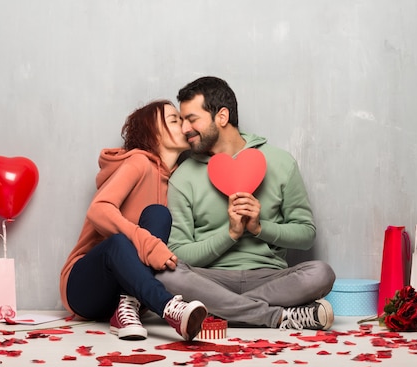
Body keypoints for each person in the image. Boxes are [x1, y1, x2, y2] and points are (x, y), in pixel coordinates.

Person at [155, 77, 336, 331]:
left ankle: (223, 309)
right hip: (210, 280)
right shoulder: (183, 177)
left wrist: (260, 228)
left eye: (192, 119)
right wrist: (230, 234)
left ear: (222, 116)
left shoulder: (281, 162)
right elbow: (180, 253)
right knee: (165, 275)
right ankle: (279, 317)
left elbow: (306, 235)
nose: (185, 128)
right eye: (182, 120)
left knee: (321, 273)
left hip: (270, 277)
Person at [59, 100, 208, 341]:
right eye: (174, 120)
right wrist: (146, 243)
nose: (183, 126)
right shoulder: (138, 162)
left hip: (128, 301)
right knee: (119, 242)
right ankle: (170, 307)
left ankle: (127, 306)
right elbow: (99, 210)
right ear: (153, 130)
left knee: (159, 214)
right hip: (84, 287)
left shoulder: (178, 181)